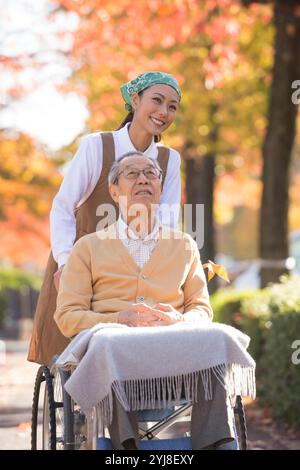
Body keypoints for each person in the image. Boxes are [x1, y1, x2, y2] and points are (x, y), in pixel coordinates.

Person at [54, 152, 237, 450]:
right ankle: (126, 448)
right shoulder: (87, 248)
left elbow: (202, 309)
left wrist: (177, 319)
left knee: (216, 338)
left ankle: (216, 445)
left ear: (160, 189)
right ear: (114, 192)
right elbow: (67, 317)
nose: (143, 179)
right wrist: (117, 320)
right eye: (131, 173)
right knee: (108, 343)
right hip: (114, 365)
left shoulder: (183, 245)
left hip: (175, 363)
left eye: (151, 173)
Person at [28, 71, 182, 365]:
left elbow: (168, 221)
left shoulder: (169, 160)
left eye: (172, 106)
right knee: (72, 356)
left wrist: (169, 267)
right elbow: (63, 206)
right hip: (82, 265)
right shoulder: (97, 146)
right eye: (157, 101)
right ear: (135, 101)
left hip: (135, 269)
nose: (164, 112)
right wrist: (67, 262)